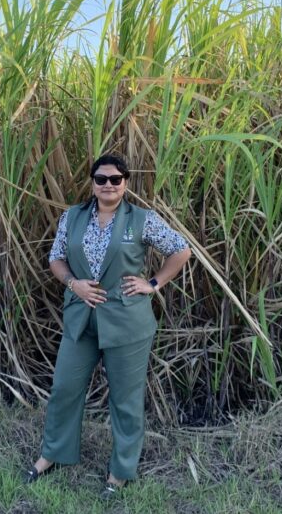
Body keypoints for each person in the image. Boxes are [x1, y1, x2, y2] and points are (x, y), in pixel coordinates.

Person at [23, 153, 192, 498]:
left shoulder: (141, 220)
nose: (109, 185)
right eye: (101, 179)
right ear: (93, 183)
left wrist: (154, 284)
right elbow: (56, 257)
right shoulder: (72, 217)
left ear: (126, 182)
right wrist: (74, 284)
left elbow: (181, 250)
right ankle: (52, 454)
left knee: (126, 400)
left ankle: (120, 472)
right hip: (81, 318)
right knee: (64, 389)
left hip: (127, 322)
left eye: (116, 179)